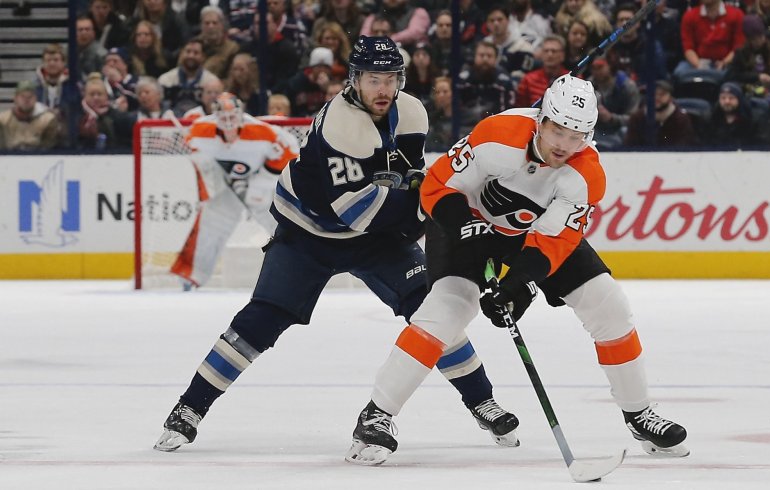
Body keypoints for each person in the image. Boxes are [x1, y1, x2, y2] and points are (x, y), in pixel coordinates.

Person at [154, 37, 521, 455]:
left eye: (391, 79)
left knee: (432, 310)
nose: (383, 90)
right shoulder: (341, 125)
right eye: (373, 79)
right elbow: (360, 212)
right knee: (261, 320)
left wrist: (431, 197)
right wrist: (434, 212)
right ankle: (188, 409)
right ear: (354, 80)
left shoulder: (412, 112)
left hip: (373, 236)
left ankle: (483, 402)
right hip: (308, 233)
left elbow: (409, 176)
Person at [346, 74, 689, 466]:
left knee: (608, 305)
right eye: (557, 129)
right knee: (446, 310)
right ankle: (376, 415)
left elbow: (553, 241)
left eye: (575, 135)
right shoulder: (498, 134)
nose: (563, 144)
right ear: (541, 119)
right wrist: (466, 230)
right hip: (466, 221)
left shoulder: (586, 175)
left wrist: (518, 285)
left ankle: (639, 412)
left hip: (529, 234)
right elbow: (437, 187)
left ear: (589, 136)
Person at [166, 92, 298, 290]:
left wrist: (259, 184)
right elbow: (197, 155)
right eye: (223, 117)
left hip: (263, 184)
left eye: (232, 116)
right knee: (212, 222)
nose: (228, 122)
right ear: (215, 116)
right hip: (229, 186)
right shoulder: (201, 131)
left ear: (241, 114)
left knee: (282, 226)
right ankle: (191, 276)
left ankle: (302, 269)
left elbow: (290, 150)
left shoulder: (262, 132)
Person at [623, 80, 697, 147]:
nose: (656, 97)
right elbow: (630, 145)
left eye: (662, 94)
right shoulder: (637, 118)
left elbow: (686, 145)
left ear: (670, 97)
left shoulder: (681, 119)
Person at [703, 81, 770, 147]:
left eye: (731, 98)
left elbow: (764, 144)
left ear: (739, 99)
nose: (727, 101)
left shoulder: (755, 118)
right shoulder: (711, 118)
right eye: (723, 98)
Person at [0, 80, 61, 151]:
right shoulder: (3, 120)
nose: (26, 100)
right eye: (22, 96)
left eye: (30, 96)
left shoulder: (47, 120)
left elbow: (48, 147)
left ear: (36, 98)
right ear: (15, 99)